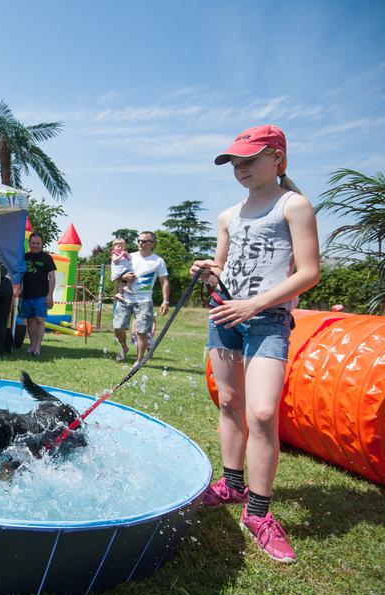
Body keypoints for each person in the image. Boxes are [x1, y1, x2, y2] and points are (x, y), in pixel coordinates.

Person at [193, 124, 320, 564]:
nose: (241, 169)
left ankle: (259, 513)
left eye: (250, 160)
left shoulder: (294, 206)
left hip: (268, 319)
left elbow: (308, 273)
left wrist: (255, 305)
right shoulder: (228, 216)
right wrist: (211, 272)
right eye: (235, 162)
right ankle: (231, 484)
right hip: (226, 316)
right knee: (229, 401)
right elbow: (226, 269)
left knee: (262, 411)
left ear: (278, 160)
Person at [112, 230, 169, 366]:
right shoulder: (128, 256)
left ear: (152, 243)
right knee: (118, 328)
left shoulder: (158, 261)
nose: (140, 243)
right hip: (125, 298)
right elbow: (116, 275)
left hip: (144, 300)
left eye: (144, 241)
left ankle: (139, 360)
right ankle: (124, 347)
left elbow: (164, 281)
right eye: (139, 241)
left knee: (142, 332)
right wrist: (123, 277)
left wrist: (165, 300)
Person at [21, 233, 57, 357]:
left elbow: (52, 277)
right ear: (29, 243)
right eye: (33, 243)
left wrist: (50, 295)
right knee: (30, 321)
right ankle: (32, 345)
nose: (35, 245)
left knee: (40, 320)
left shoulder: (47, 258)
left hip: (41, 295)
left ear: (41, 244)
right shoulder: (24, 257)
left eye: (37, 243)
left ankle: (37, 347)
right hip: (26, 295)